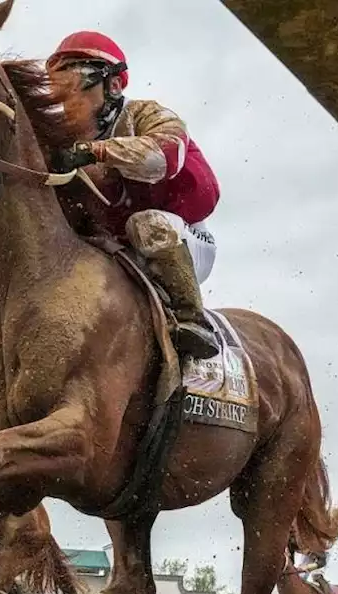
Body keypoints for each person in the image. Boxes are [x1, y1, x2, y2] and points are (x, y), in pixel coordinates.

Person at [47, 30, 222, 360]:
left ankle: (192, 318)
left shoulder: (147, 115)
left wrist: (94, 151)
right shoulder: (62, 141)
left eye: (75, 82)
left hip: (183, 236)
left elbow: (162, 158)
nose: (63, 99)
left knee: (148, 223)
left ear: (112, 85)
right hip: (116, 247)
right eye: (56, 86)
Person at [287, 530, 335, 594]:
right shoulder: (291, 542)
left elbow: (322, 562)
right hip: (309, 554)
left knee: (316, 576)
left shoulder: (314, 544)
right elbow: (291, 563)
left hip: (323, 555)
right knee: (299, 577)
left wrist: (307, 567)